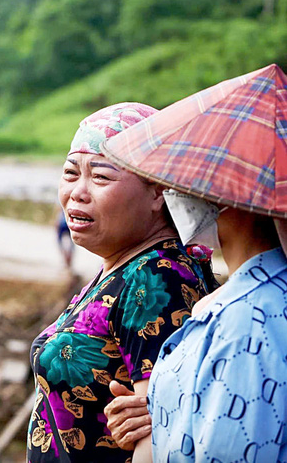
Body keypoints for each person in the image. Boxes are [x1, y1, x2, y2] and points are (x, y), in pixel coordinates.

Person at [100, 67, 287, 462]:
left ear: (229, 198)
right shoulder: (241, 301)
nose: (177, 192)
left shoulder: (244, 322)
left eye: (193, 182)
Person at [27, 103, 215, 462]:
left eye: (100, 177)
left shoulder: (156, 277)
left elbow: (155, 435)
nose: (78, 192)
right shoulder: (120, 266)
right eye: (70, 173)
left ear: (158, 191)